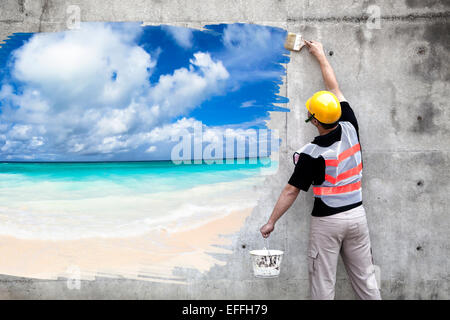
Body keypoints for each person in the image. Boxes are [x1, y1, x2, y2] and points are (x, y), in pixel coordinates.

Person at [260, 39, 381, 300]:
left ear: (314, 120)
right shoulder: (350, 125)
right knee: (367, 282)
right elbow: (333, 87)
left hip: (328, 223)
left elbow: (291, 191)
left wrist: (271, 222)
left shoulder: (311, 154)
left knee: (323, 285)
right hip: (357, 217)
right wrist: (320, 55)